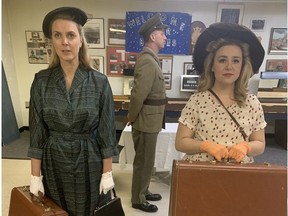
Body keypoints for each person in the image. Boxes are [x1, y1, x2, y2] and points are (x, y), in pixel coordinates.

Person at [27, 7, 119, 216]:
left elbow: (106, 133)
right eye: (57, 35)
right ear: (52, 41)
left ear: (80, 40)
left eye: (70, 35)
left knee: (90, 210)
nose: (64, 42)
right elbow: (37, 134)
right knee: (57, 210)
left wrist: (107, 172)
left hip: (90, 161)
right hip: (54, 162)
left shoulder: (99, 82)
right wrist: (35, 176)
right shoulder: (41, 82)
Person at [175, 22, 266, 163]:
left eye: (236, 61)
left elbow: (260, 144)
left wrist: (246, 146)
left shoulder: (252, 103)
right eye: (222, 60)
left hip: (240, 175)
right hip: (201, 174)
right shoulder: (197, 101)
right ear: (212, 65)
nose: (229, 66)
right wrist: (205, 146)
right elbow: (181, 142)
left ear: (242, 66)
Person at [127, 13, 168, 213]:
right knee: (143, 162)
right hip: (144, 121)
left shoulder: (152, 60)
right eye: (162, 33)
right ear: (153, 36)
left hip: (150, 121)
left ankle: (144, 190)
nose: (165, 37)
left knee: (147, 160)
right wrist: (132, 118)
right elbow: (138, 96)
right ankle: (138, 199)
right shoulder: (147, 61)